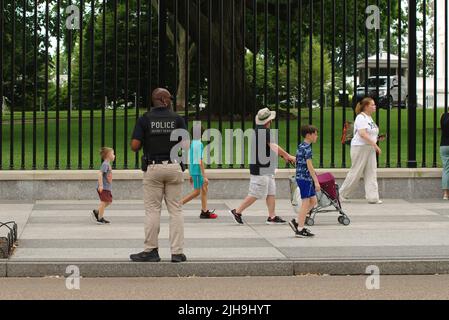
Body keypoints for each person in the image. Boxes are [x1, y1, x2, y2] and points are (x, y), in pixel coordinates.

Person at [129, 88, 188, 263]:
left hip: (153, 167)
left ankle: (151, 250)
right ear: (163, 99)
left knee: (153, 210)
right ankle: (177, 252)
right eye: (169, 97)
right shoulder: (177, 119)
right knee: (176, 210)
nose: (170, 100)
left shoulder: (144, 119)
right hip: (174, 166)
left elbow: (134, 145)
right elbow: (185, 145)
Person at [229, 107, 296, 225]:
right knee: (256, 193)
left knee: (271, 192)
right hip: (260, 168)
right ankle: (237, 212)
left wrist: (283, 156)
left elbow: (270, 148)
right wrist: (288, 156)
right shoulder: (264, 131)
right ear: (268, 121)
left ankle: (272, 216)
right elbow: (273, 146)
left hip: (266, 167)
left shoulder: (260, 129)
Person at [339, 97, 385, 204]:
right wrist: (375, 145)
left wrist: (377, 139)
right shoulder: (361, 117)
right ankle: (341, 194)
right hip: (360, 147)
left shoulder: (369, 118)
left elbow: (369, 133)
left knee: (371, 171)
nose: (375, 106)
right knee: (356, 171)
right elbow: (362, 134)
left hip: (369, 147)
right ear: (366, 106)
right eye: (372, 105)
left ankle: (373, 197)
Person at [288, 125, 319, 238]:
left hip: (302, 177)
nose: (317, 136)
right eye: (315, 134)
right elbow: (310, 166)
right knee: (306, 203)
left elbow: (298, 160)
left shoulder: (301, 146)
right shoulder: (307, 148)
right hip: (305, 178)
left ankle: (297, 221)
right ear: (308, 135)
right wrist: (316, 181)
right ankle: (300, 229)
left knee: (314, 201)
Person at [181, 126, 218, 219]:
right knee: (197, 192)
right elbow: (200, 161)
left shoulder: (192, 143)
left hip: (194, 171)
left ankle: (204, 211)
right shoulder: (199, 144)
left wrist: (190, 174)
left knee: (204, 189)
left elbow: (189, 160)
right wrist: (204, 176)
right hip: (197, 171)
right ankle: (178, 204)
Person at [92, 147, 115, 225]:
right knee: (104, 202)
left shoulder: (107, 164)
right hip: (103, 187)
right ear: (108, 155)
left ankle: (97, 212)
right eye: (113, 154)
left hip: (107, 187)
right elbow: (100, 174)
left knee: (108, 201)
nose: (114, 155)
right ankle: (99, 218)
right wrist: (101, 185)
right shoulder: (105, 164)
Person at [440, 112, 449, 199]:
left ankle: (446, 194)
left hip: (444, 145)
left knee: (446, 169)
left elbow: (442, 128)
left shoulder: (443, 116)